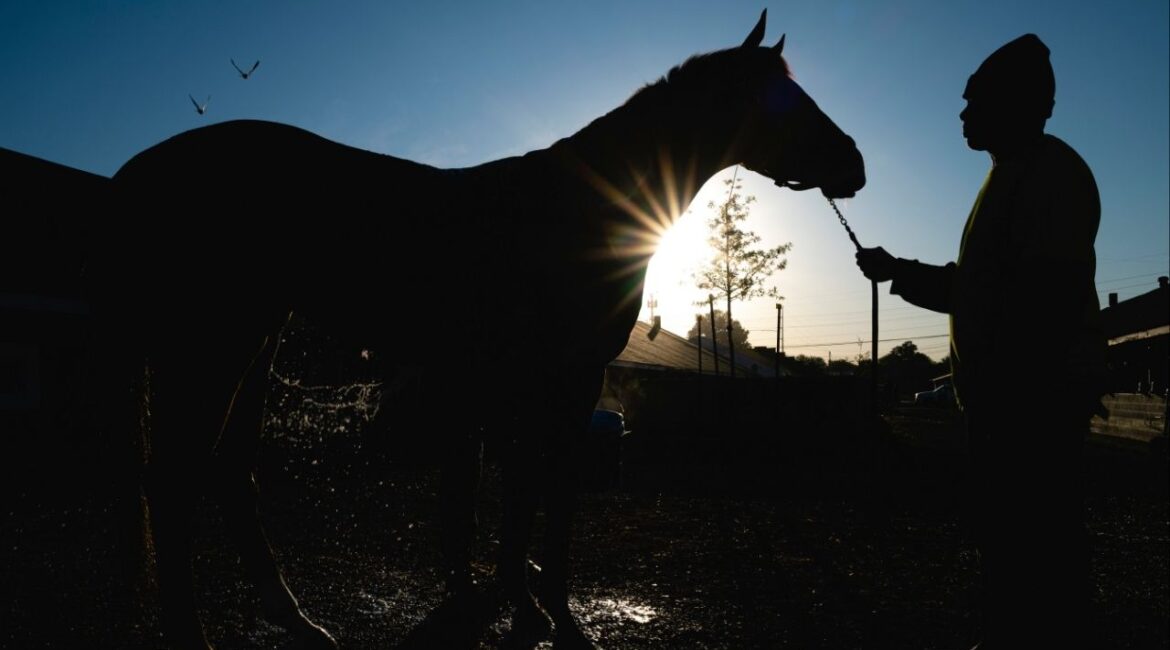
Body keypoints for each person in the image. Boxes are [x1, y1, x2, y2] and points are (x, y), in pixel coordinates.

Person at [855, 34, 1108, 649]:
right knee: (1012, 541)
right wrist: (901, 272)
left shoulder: (1049, 177)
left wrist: (906, 276)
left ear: (1017, 105)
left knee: (1035, 544)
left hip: (1032, 407)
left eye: (975, 102)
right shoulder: (1012, 176)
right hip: (1013, 404)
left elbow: (1022, 298)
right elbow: (987, 286)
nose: (963, 115)